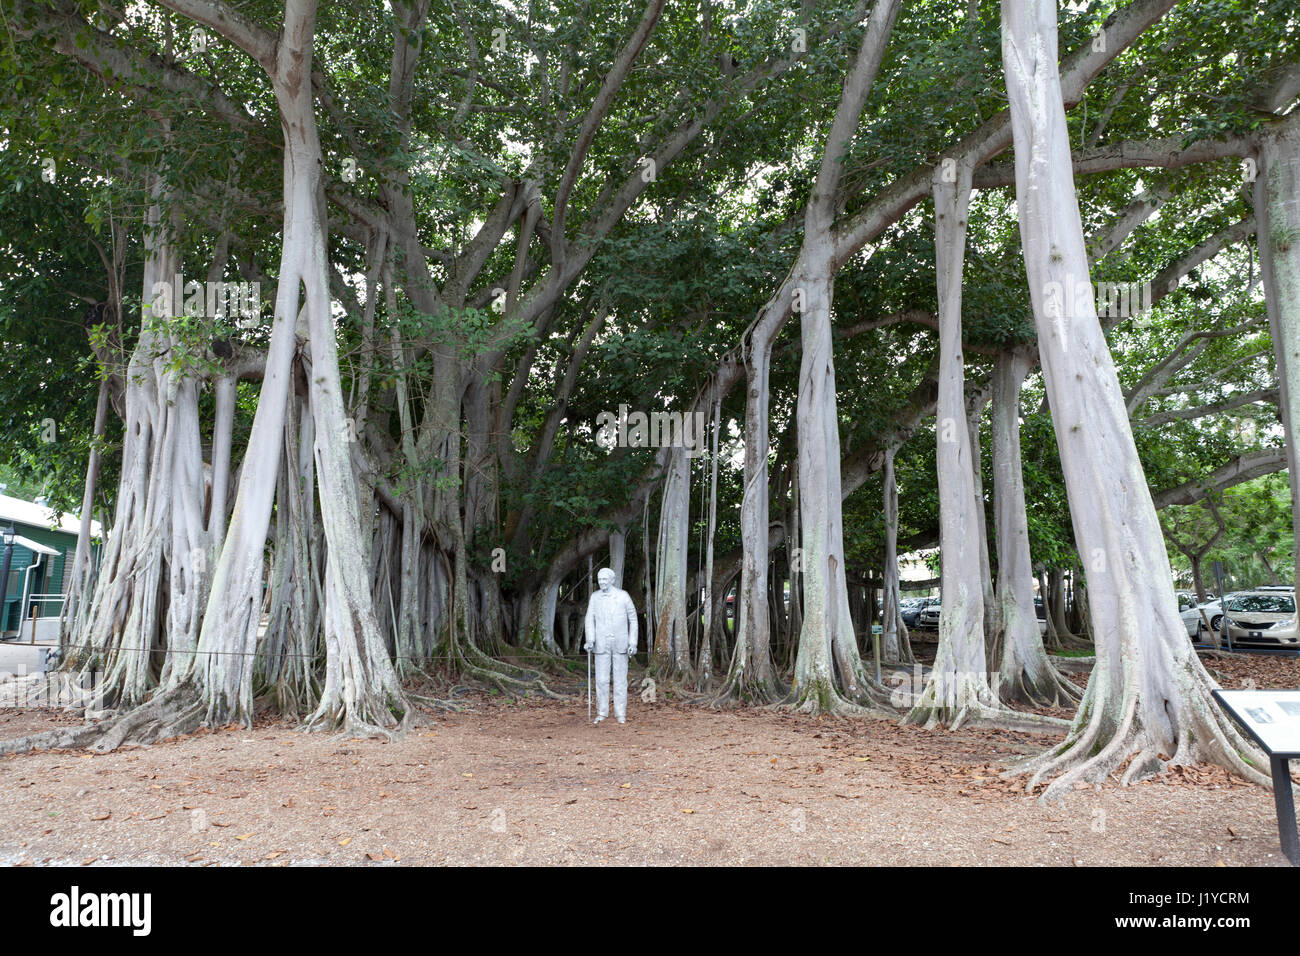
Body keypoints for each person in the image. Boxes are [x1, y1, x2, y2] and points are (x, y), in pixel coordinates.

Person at [584, 567, 638, 724]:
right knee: (601, 680)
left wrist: (632, 642)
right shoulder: (594, 597)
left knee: (620, 680)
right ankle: (602, 712)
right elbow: (589, 619)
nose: (601, 582)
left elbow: (633, 620)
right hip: (601, 644)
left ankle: (620, 713)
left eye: (604, 580)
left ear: (612, 580)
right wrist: (590, 640)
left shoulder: (623, 596)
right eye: (600, 580)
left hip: (620, 643)